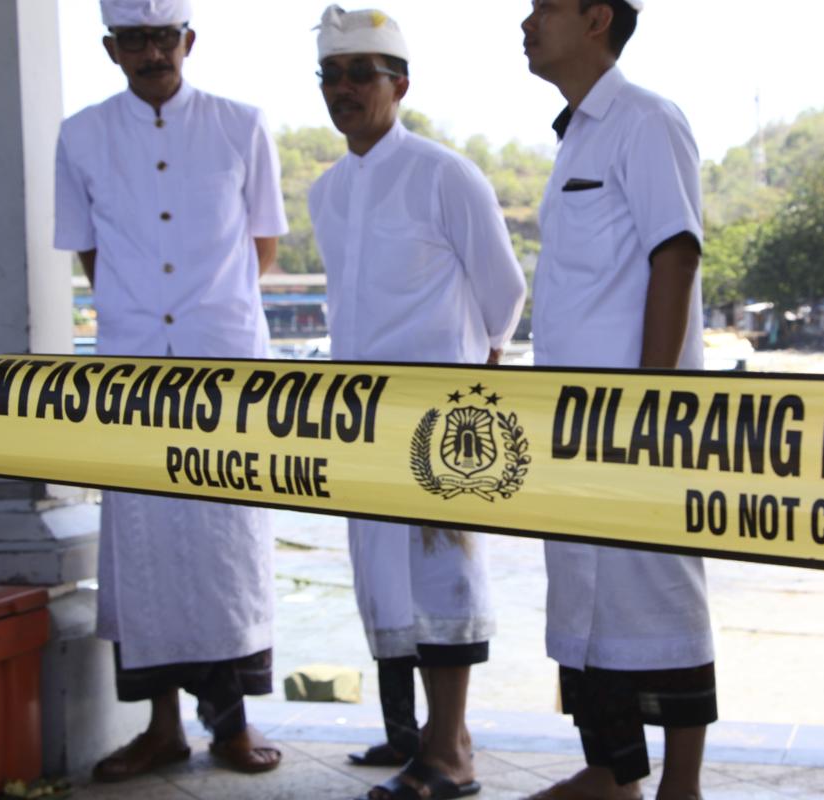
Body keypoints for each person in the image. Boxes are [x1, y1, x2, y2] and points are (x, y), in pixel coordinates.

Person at [53, 0, 288, 780]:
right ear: (110, 49)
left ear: (189, 41)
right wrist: (145, 319)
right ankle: (162, 729)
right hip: (132, 368)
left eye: (164, 37)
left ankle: (233, 726)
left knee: (227, 547)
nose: (152, 52)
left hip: (222, 367)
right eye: (134, 40)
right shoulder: (81, 135)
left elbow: (263, 242)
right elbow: (88, 250)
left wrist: (203, 318)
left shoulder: (240, 124)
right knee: (144, 550)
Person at [307, 6, 527, 799]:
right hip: (360, 418)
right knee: (384, 579)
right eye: (331, 75)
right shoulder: (325, 193)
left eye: (361, 73)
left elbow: (504, 291)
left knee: (444, 581)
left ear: (400, 83)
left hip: (441, 418)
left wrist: (475, 386)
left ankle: (452, 750)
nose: (344, 89)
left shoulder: (445, 173)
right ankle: (417, 741)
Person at [520, 2, 716, 799]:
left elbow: (676, 254)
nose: (526, 20)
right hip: (572, 428)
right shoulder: (576, 136)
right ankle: (610, 777)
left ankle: (681, 787)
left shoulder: (644, 119)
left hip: (637, 424)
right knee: (587, 612)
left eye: (544, 6)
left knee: (660, 597)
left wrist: (649, 403)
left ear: (597, 16)